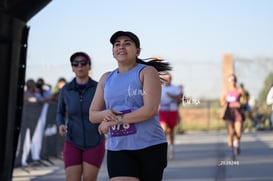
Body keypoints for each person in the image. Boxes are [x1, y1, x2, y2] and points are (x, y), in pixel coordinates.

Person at [89, 31, 172, 181]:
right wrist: (106, 114)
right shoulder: (106, 78)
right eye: (117, 44)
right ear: (113, 52)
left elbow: (150, 110)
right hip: (118, 148)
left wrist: (117, 119)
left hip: (150, 146)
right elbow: (93, 114)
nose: (121, 47)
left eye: (127, 43)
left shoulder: (146, 72)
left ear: (137, 51)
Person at [56, 52, 105, 181]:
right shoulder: (66, 90)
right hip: (72, 140)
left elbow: (106, 109)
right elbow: (60, 112)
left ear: (89, 66)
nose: (80, 66)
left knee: (89, 178)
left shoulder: (98, 87)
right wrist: (61, 124)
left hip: (95, 140)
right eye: (75, 64)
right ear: (72, 68)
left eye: (83, 63)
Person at [220, 74, 245, 160]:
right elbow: (221, 102)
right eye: (230, 80)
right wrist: (225, 101)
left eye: (233, 80)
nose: (232, 82)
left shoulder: (240, 90)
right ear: (228, 81)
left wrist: (240, 104)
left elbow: (245, 101)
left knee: (238, 133)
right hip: (229, 112)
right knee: (231, 133)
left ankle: (237, 145)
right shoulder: (225, 91)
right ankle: (232, 151)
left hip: (237, 112)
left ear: (236, 80)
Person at [159, 72, 182, 159]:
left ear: (171, 80)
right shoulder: (160, 88)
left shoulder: (175, 88)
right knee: (164, 130)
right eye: (165, 79)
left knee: (171, 131)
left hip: (172, 111)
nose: (167, 81)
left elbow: (180, 100)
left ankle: (171, 148)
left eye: (168, 79)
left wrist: (171, 96)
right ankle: (163, 149)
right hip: (162, 112)